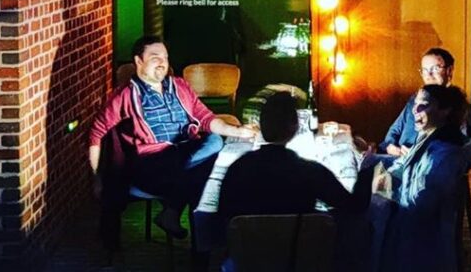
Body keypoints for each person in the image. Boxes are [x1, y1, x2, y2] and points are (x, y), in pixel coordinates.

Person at [88, 35, 258, 239]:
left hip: (181, 160)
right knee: (208, 172)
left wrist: (239, 131)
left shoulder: (180, 86)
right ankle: (205, 234)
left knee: (214, 142)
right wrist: (97, 177)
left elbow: (205, 118)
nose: (162, 63)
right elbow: (97, 132)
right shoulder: (124, 95)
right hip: (152, 165)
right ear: (138, 61)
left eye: (165, 58)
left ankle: (175, 215)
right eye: (155, 57)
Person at [218, 92, 374, 222]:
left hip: (247, 256)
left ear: (261, 127)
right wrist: (366, 167)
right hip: (298, 255)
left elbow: (224, 218)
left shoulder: (238, 168)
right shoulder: (310, 172)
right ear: (295, 126)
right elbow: (354, 206)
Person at [372, 84, 471, 272]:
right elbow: (400, 167)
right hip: (412, 222)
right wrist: (373, 167)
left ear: (445, 111)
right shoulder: (429, 135)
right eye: (415, 104)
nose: (415, 110)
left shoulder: (443, 153)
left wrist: (380, 189)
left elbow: (423, 202)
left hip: (420, 236)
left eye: (423, 105)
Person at [379, 47, 471, 156]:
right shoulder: (414, 100)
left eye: (435, 69)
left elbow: (463, 152)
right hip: (397, 158)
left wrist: (420, 157)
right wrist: (391, 147)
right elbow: (394, 130)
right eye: (424, 70)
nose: (429, 75)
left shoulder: (458, 107)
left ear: (449, 71)